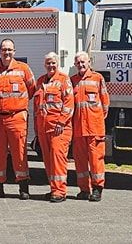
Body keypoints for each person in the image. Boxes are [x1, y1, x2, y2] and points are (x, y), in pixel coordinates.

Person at [0, 38, 35, 199]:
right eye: (4, 49)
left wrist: (19, 106)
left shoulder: (23, 69)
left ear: (14, 51)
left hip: (17, 117)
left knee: (19, 152)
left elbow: (32, 89)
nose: (7, 52)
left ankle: (23, 186)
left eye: (9, 50)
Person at [34, 51, 74, 202]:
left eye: (53, 63)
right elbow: (37, 107)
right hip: (44, 128)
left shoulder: (64, 80)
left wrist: (61, 122)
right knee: (48, 160)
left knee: (58, 160)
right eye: (48, 63)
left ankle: (60, 191)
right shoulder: (40, 82)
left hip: (59, 128)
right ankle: (53, 189)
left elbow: (69, 103)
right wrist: (37, 129)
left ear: (57, 64)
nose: (51, 65)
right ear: (44, 65)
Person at [71, 51, 110, 201]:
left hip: (94, 128)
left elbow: (105, 104)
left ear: (89, 63)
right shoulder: (72, 81)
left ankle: (97, 188)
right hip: (78, 129)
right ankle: (84, 189)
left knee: (96, 160)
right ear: (75, 65)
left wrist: (97, 119)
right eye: (78, 63)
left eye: (83, 62)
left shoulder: (97, 78)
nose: (81, 65)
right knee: (80, 162)